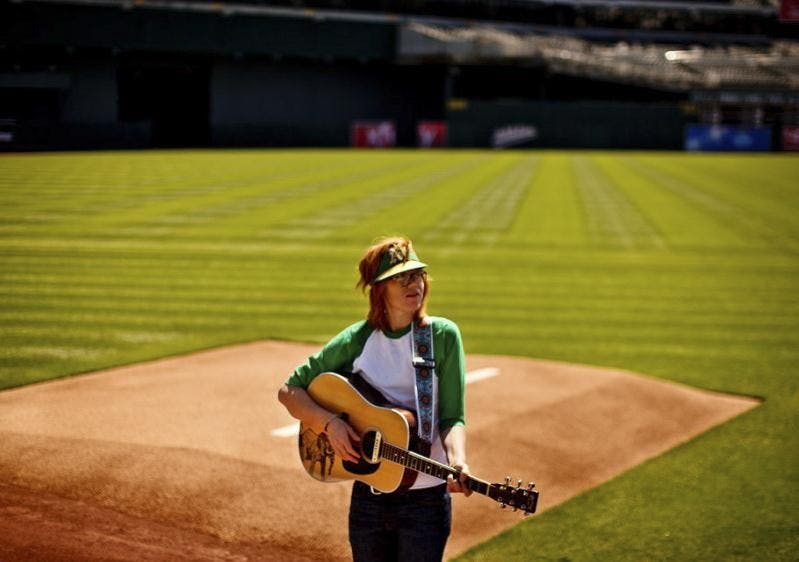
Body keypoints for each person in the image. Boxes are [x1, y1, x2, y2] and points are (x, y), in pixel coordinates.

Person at [277, 236, 471, 562]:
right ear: (380, 288)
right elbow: (289, 391)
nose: (415, 284)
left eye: (418, 274)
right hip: (369, 496)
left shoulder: (441, 336)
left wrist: (458, 461)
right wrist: (331, 424)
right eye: (402, 277)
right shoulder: (358, 339)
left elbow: (452, 416)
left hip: (426, 501)